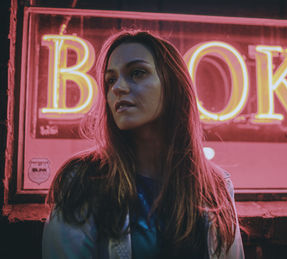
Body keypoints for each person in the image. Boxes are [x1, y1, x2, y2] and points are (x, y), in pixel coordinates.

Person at [42, 30, 244, 259]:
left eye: (137, 73)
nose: (117, 87)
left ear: (172, 86)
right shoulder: (84, 181)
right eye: (110, 80)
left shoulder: (215, 186)